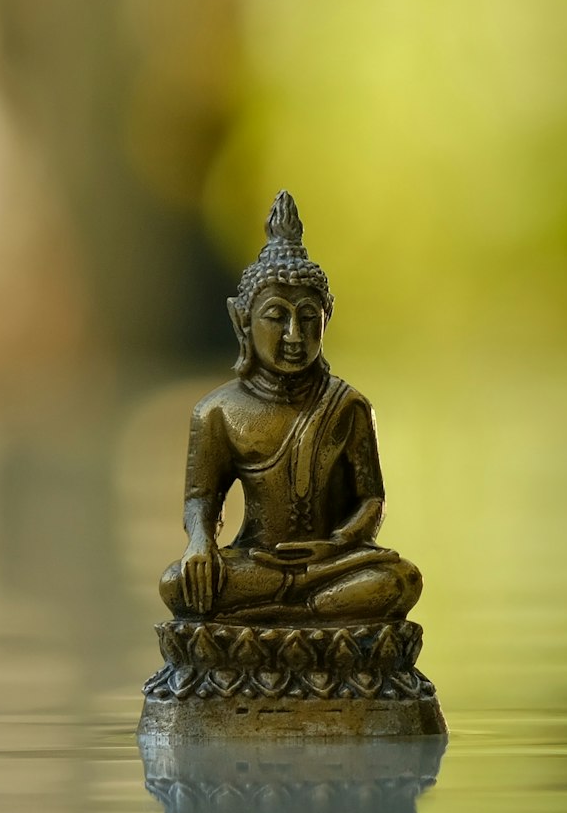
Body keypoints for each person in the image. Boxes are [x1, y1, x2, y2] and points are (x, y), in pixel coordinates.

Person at [159, 192, 423, 624]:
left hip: (330, 565)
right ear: (242, 320)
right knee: (177, 584)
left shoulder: (347, 405)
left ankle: (285, 617)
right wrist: (200, 543)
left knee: (400, 579)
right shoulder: (219, 411)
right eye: (276, 317)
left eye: (307, 316)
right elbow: (201, 499)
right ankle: (310, 617)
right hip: (257, 564)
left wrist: (336, 544)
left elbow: (372, 500)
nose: (294, 334)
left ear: (327, 316)